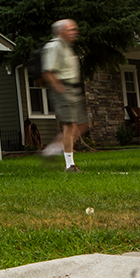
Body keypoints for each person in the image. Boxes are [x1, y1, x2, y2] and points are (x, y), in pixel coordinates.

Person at [41, 19, 89, 173]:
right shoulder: (54, 46)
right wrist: (59, 88)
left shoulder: (68, 47)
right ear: (60, 31)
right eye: (70, 29)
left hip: (73, 89)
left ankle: (53, 148)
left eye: (74, 29)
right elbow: (48, 71)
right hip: (63, 88)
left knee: (82, 124)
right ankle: (70, 165)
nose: (74, 32)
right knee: (69, 125)